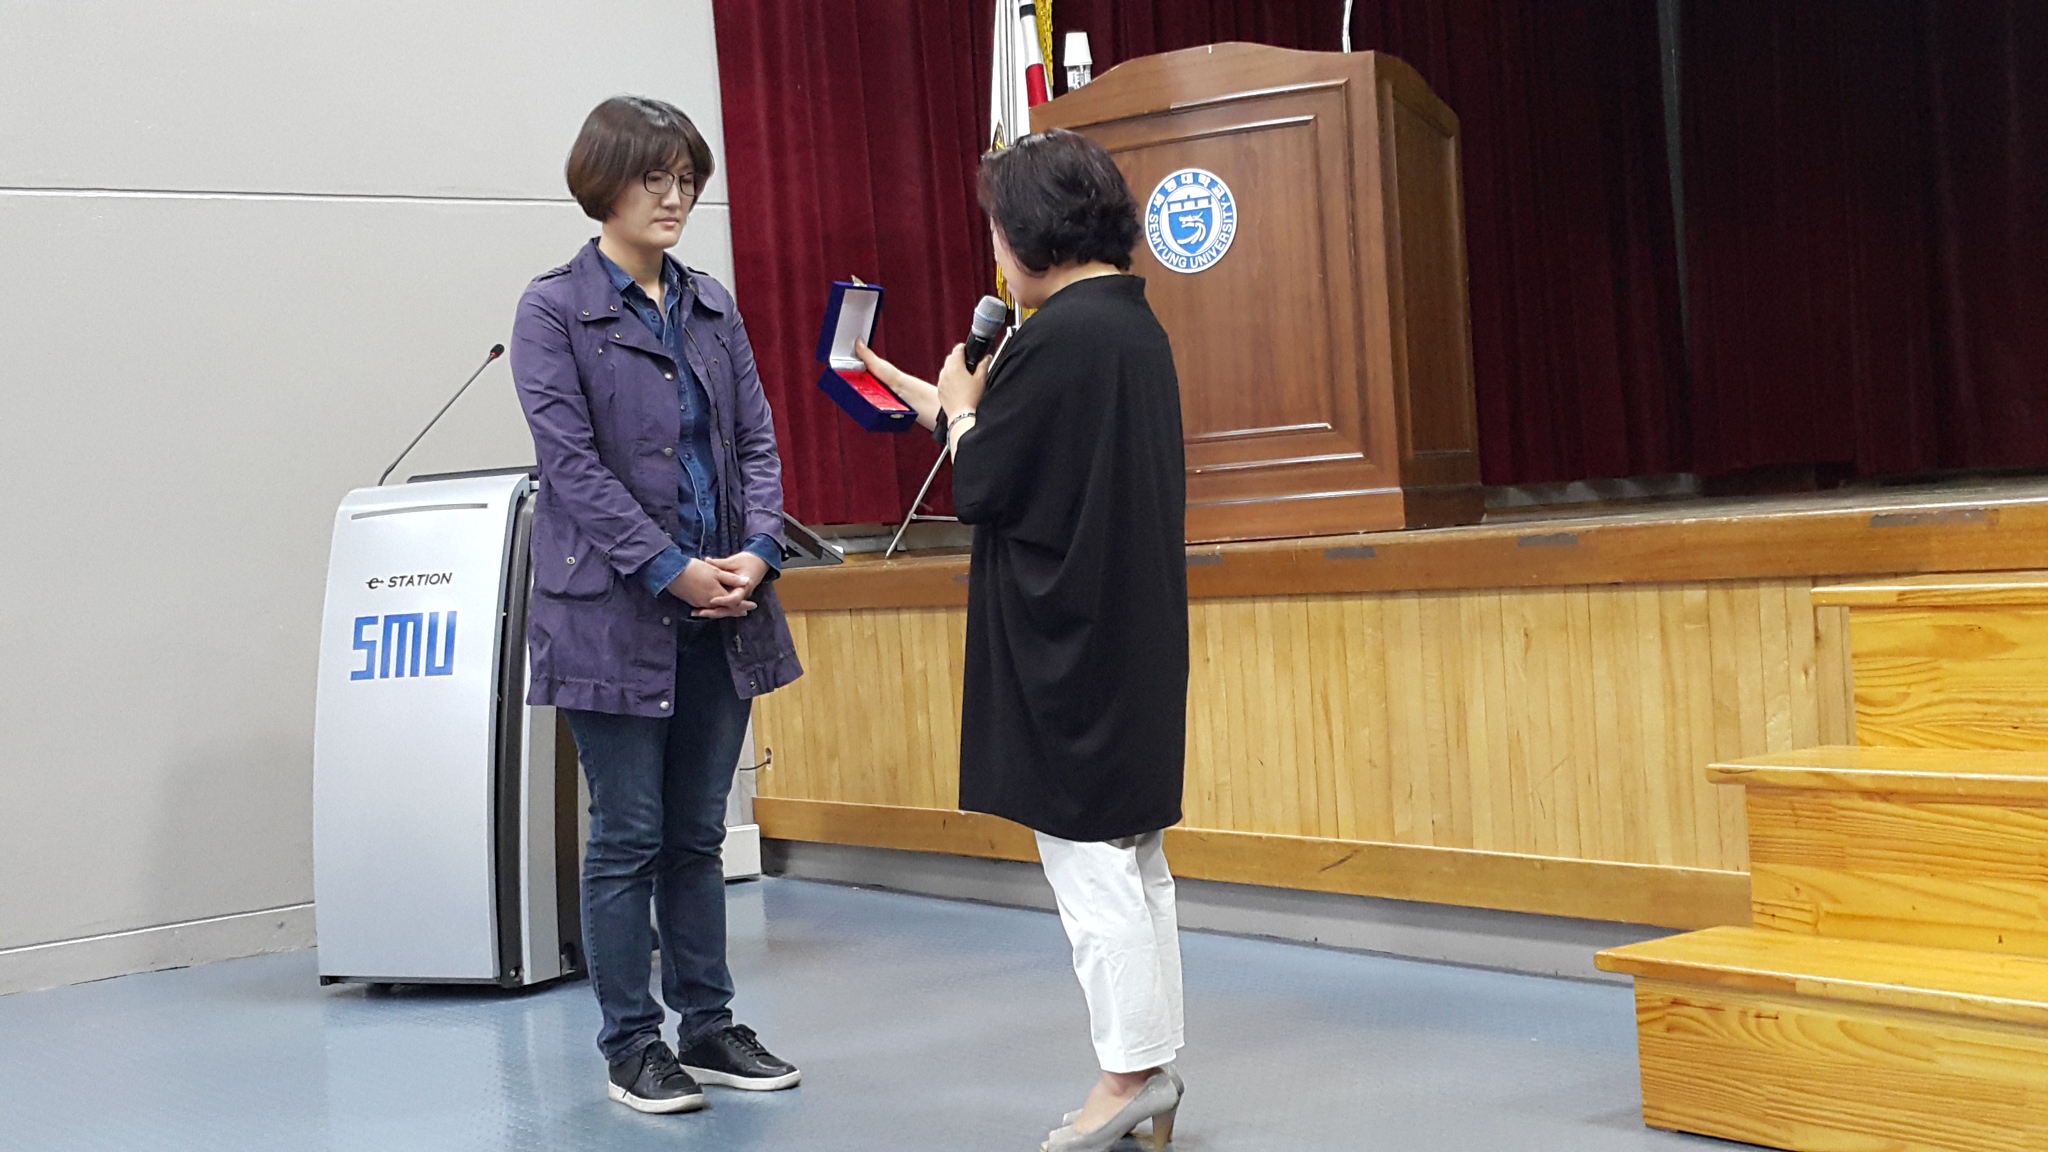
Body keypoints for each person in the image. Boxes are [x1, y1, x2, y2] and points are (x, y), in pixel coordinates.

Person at [858, 129, 1190, 1152]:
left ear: (1032, 231)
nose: (996, 253)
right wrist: (945, 406)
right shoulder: (1126, 325)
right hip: (1126, 633)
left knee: (1090, 872)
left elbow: (986, 482)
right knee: (1134, 862)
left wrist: (965, 415)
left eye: (998, 230)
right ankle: (1153, 1066)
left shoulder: (1057, 338)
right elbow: (1024, 451)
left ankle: (1125, 1077)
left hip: (1067, 647)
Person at [509, 95, 803, 1116]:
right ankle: (632, 1046)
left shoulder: (711, 305)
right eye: (654, 178)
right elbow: (572, 471)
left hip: (725, 607)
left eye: (686, 179)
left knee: (695, 835)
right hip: (612, 612)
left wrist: (759, 551)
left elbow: (757, 444)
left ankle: (708, 1026)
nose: (675, 197)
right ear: (604, 183)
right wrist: (671, 566)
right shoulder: (553, 310)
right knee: (627, 835)